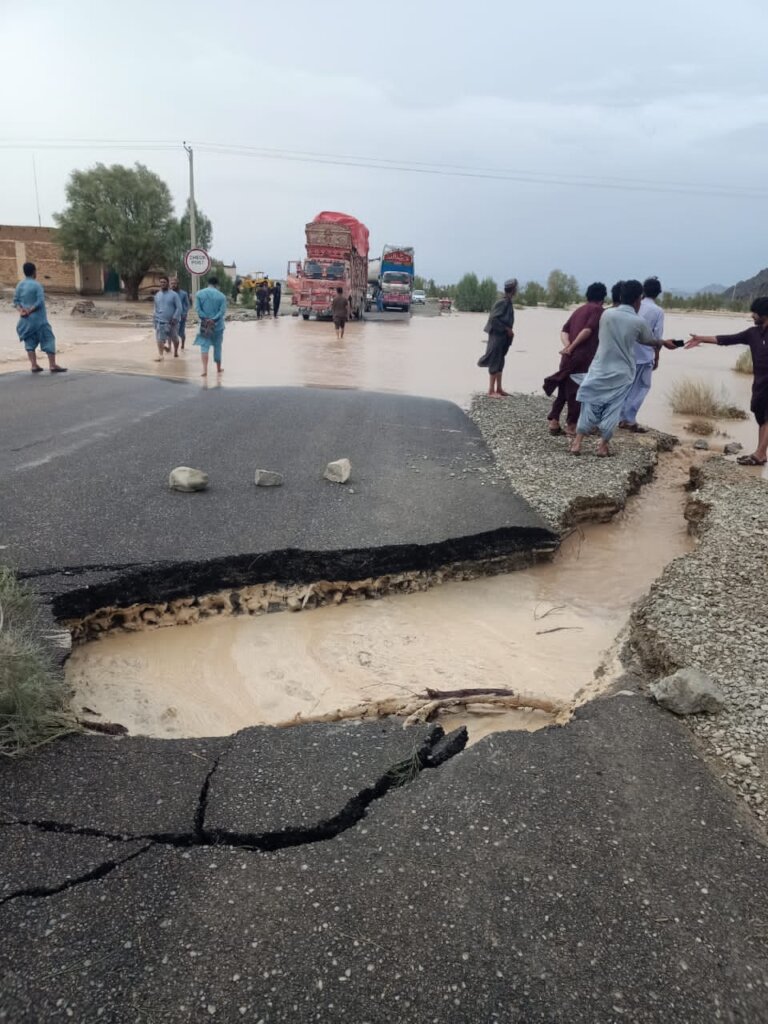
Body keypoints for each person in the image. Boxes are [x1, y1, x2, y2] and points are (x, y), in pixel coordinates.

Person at [569, 280, 676, 457]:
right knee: (613, 407)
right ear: (637, 299)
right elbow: (649, 340)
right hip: (622, 371)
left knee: (589, 403)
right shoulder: (638, 322)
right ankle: (602, 446)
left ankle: (577, 443)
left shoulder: (606, 315)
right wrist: (664, 343)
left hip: (599, 367)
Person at [686, 297, 768, 466]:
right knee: (761, 417)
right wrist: (701, 338)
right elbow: (727, 339)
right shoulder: (753, 333)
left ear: (765, 314)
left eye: (755, 313)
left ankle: (759, 454)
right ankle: (761, 453)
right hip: (760, 383)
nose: (752, 315)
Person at [543, 282, 607, 435]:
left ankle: (554, 421)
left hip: (568, 356)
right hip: (583, 357)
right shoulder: (598, 310)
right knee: (577, 391)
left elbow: (564, 331)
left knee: (564, 389)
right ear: (602, 298)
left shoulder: (579, 310)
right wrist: (572, 347)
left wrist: (568, 346)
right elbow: (587, 330)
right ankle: (571, 425)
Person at [619, 276, 665, 432]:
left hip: (627, 353)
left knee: (626, 387)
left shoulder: (633, 306)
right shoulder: (657, 311)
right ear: (658, 292)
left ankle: (620, 417)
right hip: (645, 355)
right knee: (642, 387)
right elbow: (657, 336)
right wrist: (657, 356)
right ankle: (629, 419)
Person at [13, 262, 66, 373]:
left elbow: (16, 301)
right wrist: (30, 310)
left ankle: (34, 365)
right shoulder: (37, 285)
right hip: (39, 320)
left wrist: (22, 311)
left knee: (29, 343)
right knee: (49, 339)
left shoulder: (19, 285)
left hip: (25, 320)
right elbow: (40, 301)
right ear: (34, 272)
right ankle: (52, 365)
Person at [478, 278, 517, 398]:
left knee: (500, 360)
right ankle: (491, 391)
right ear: (513, 289)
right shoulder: (502, 302)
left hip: (504, 338)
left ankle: (499, 388)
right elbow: (493, 319)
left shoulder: (508, 302)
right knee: (495, 360)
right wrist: (506, 329)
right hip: (497, 336)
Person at [194, 275, 228, 377]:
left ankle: (205, 370)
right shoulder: (222, 296)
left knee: (204, 347)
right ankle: (218, 369)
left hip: (205, 325)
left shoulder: (199, 294)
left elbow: (197, 309)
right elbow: (222, 311)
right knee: (217, 347)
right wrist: (213, 320)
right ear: (217, 284)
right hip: (218, 326)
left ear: (208, 283)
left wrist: (206, 319)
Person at [153, 275, 182, 362]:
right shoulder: (157, 295)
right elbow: (155, 308)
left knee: (175, 339)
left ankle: (176, 351)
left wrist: (175, 318)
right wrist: (154, 320)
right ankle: (161, 355)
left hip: (172, 322)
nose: (162, 284)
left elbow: (179, 308)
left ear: (168, 283)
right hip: (160, 321)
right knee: (159, 339)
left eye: (164, 282)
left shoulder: (174, 295)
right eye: (161, 282)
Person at [171, 277, 190, 354]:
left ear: (178, 284)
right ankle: (170, 348)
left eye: (175, 283)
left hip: (182, 316)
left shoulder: (183, 293)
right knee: (171, 332)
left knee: (181, 332)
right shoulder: (169, 293)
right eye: (172, 283)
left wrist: (185, 313)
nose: (173, 285)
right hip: (171, 315)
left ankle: (182, 345)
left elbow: (187, 304)